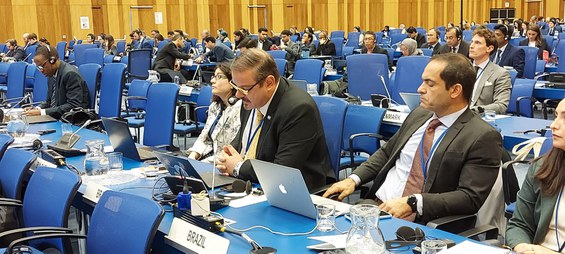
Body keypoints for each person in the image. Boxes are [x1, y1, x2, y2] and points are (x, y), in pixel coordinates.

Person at [323, 53, 502, 223]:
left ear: (455, 90)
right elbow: (387, 152)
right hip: (375, 208)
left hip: (420, 223)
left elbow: (469, 197)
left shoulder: (481, 136)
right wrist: (353, 179)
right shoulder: (420, 114)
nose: (420, 89)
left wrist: (413, 202)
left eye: (430, 84)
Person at [216, 49, 335, 191]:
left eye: (244, 88)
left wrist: (237, 166)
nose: (238, 94)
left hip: (295, 192)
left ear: (269, 83)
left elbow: (281, 171)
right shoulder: (249, 98)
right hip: (254, 185)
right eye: (235, 86)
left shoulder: (298, 109)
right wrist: (226, 158)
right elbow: (241, 142)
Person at [506, 98, 565, 254]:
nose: (554, 125)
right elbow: (519, 225)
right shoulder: (542, 167)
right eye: (556, 115)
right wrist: (523, 247)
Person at [187, 64, 242, 163]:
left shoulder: (240, 109)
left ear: (232, 82)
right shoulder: (215, 106)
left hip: (223, 164)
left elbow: (229, 150)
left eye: (219, 77)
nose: (212, 80)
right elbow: (204, 137)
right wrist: (193, 155)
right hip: (207, 159)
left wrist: (201, 164)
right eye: (213, 76)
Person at [25, 45, 90, 119]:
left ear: (52, 60)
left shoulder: (70, 74)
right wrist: (37, 109)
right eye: (38, 67)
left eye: (42, 66)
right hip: (59, 117)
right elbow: (49, 102)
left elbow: (73, 105)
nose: (41, 70)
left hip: (73, 120)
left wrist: (42, 112)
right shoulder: (51, 74)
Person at [468, 28, 511, 114]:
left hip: (481, 119)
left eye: (477, 43)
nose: (471, 46)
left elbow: (501, 106)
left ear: (489, 48)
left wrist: (472, 110)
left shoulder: (500, 74)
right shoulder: (462, 69)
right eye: (472, 42)